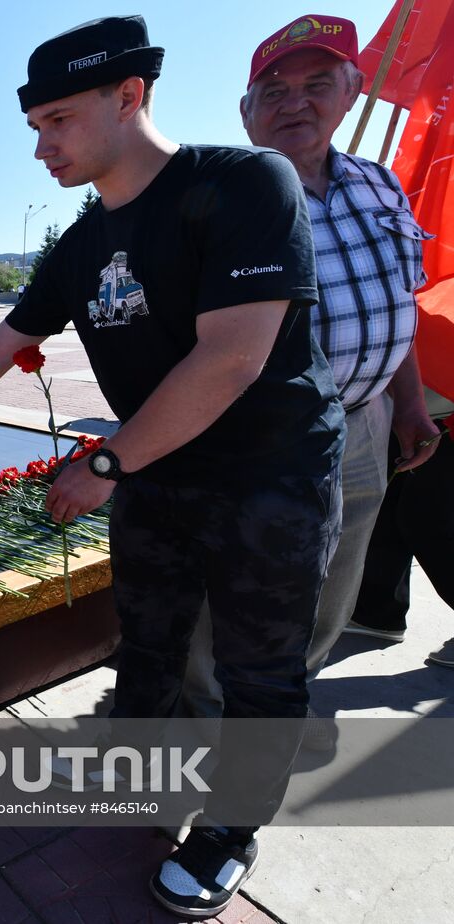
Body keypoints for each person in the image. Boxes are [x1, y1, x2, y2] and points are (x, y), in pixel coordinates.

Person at [0, 16, 343, 918]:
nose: (41, 146)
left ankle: (228, 831)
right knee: (150, 640)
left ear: (129, 98)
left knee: (261, 673)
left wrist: (106, 464)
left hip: (265, 475)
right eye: (35, 127)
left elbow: (232, 357)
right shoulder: (84, 241)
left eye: (57, 120)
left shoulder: (246, 182)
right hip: (156, 480)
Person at [181, 14, 440, 747]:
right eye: (274, 90)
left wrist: (411, 405)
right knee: (228, 591)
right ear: (246, 112)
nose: (295, 102)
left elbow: (399, 302)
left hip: (364, 425)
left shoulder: (380, 186)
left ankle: (282, 700)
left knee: (335, 582)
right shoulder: (220, 204)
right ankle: (202, 720)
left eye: (316, 84)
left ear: (352, 91)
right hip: (262, 436)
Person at [350, 387, 453, 661]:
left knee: (428, 518)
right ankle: (377, 609)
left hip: (444, 405)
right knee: (390, 493)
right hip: (420, 396)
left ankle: (377, 608)